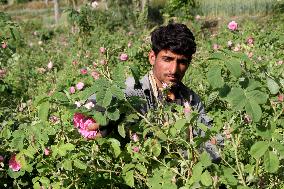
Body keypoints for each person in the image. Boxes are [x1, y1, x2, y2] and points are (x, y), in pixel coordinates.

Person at [87, 23, 222, 161]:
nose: (174, 70)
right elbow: (92, 105)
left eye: (182, 62)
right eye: (167, 59)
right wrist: (100, 115)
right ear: (152, 57)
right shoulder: (134, 90)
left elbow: (214, 144)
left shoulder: (191, 99)